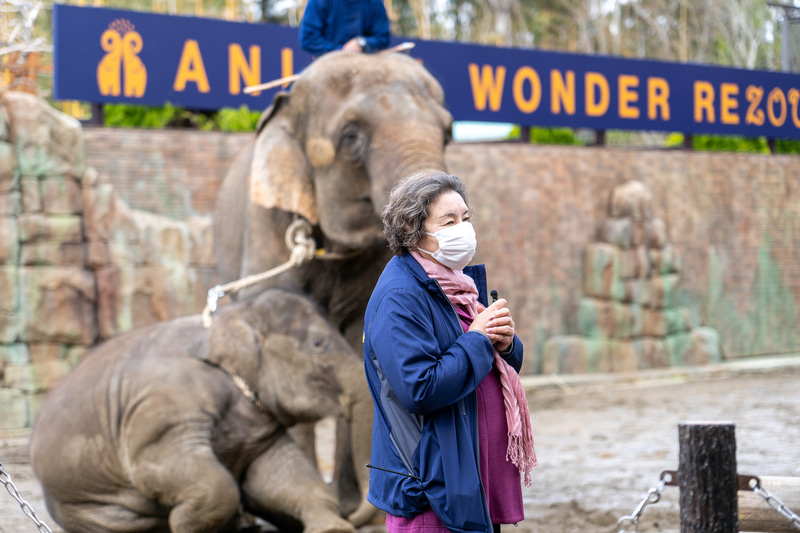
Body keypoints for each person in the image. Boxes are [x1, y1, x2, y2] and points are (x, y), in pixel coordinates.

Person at [362, 170, 537, 533]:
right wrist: (478, 339)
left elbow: (484, 365)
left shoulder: (458, 285)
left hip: (471, 485)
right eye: (449, 221)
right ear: (413, 230)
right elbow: (421, 388)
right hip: (431, 491)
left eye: (465, 218)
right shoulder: (400, 296)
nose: (463, 229)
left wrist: (505, 344)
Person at [298, 0, 391, 57]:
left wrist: (361, 43)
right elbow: (308, 39)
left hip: (365, 63)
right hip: (327, 64)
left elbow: (383, 39)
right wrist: (342, 50)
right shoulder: (319, 2)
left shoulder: (375, 2)